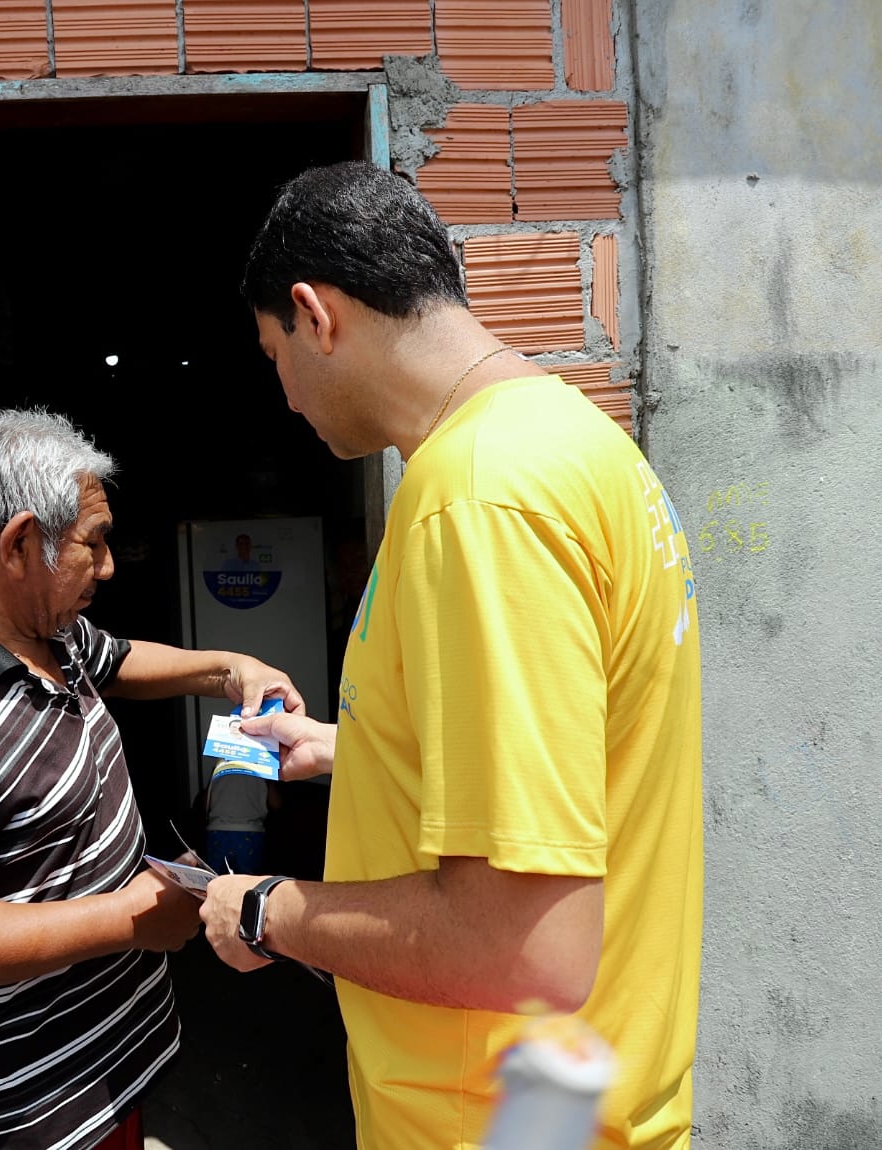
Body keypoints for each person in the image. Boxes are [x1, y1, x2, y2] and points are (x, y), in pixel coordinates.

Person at [199, 161, 703, 1149]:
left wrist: (265, 908)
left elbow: (524, 943)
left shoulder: (478, 496)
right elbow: (572, 753)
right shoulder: (579, 446)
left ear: (315, 313)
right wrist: (358, 749)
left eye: (273, 355)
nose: (287, 398)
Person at [0, 409, 303, 1150]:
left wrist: (229, 669)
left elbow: (117, 658)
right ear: (21, 544)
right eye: (93, 542)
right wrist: (129, 918)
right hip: (27, 1109)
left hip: (102, 1066)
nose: (111, 564)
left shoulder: (43, 631)